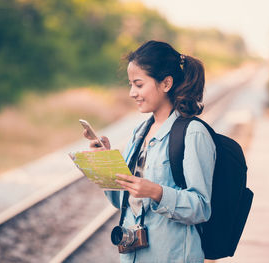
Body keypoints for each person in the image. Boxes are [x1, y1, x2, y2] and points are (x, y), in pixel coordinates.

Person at [83, 40, 216, 263]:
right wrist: (105, 162)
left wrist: (157, 192)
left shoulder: (193, 134)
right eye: (130, 84)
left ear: (166, 83)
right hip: (133, 256)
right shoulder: (140, 131)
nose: (131, 93)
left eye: (138, 84)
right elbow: (122, 201)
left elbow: (201, 208)